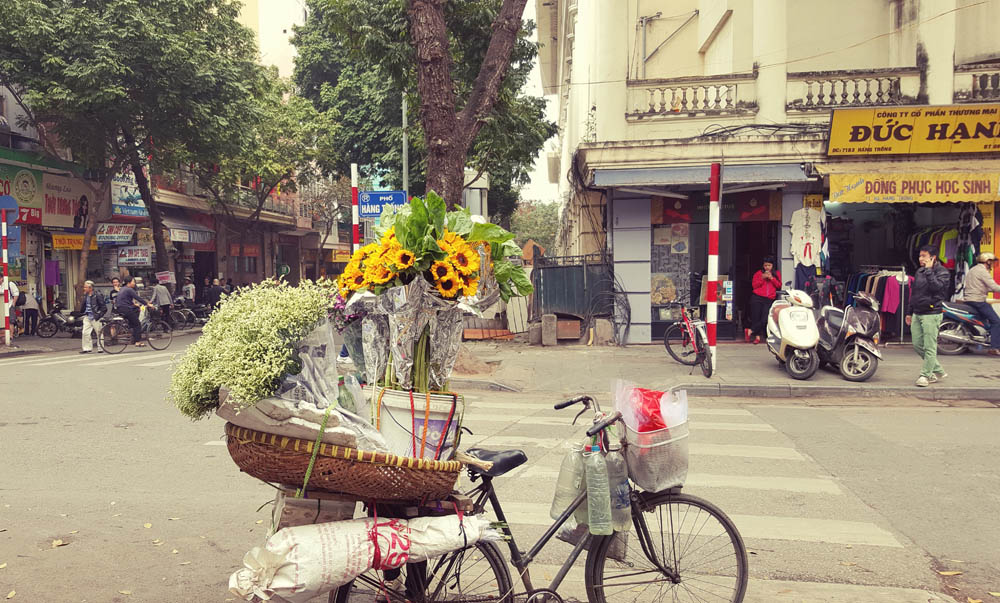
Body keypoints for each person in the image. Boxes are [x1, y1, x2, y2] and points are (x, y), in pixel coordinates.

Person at [907, 245, 951, 387]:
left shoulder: (943, 272)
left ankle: (926, 375)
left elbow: (937, 288)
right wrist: (909, 312)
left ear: (933, 257)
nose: (920, 259)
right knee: (917, 344)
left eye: (924, 256)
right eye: (920, 256)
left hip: (931, 313)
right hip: (917, 312)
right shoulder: (919, 271)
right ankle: (937, 369)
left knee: (930, 346)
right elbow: (914, 293)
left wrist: (929, 271)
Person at [961, 252, 1000, 357]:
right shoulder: (982, 271)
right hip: (978, 301)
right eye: (991, 262)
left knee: (985, 321)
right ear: (987, 262)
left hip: (970, 299)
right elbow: (994, 287)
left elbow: (986, 286)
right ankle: (994, 347)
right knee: (996, 321)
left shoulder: (973, 269)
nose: (992, 264)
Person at [748, 257, 781, 344]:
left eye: (769, 265)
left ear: (772, 266)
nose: (767, 267)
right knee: (756, 317)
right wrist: (762, 278)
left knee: (765, 318)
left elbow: (778, 285)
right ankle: (757, 337)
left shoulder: (776, 273)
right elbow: (754, 286)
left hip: (769, 298)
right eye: (765, 265)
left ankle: (751, 330)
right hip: (757, 297)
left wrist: (772, 278)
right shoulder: (758, 273)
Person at [116, 276, 155, 347]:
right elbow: (138, 298)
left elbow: (125, 300)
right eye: (133, 282)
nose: (134, 283)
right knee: (137, 324)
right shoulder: (129, 289)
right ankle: (137, 341)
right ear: (129, 283)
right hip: (126, 309)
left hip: (120, 308)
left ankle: (132, 333)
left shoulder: (122, 289)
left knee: (136, 311)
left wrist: (134, 305)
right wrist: (148, 304)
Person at [78, 280, 107, 354]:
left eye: (85, 287)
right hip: (87, 316)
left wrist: (99, 315)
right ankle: (87, 348)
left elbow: (103, 308)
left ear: (90, 288)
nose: (84, 288)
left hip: (95, 316)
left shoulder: (97, 295)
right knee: (85, 332)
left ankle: (100, 348)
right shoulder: (86, 295)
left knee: (99, 332)